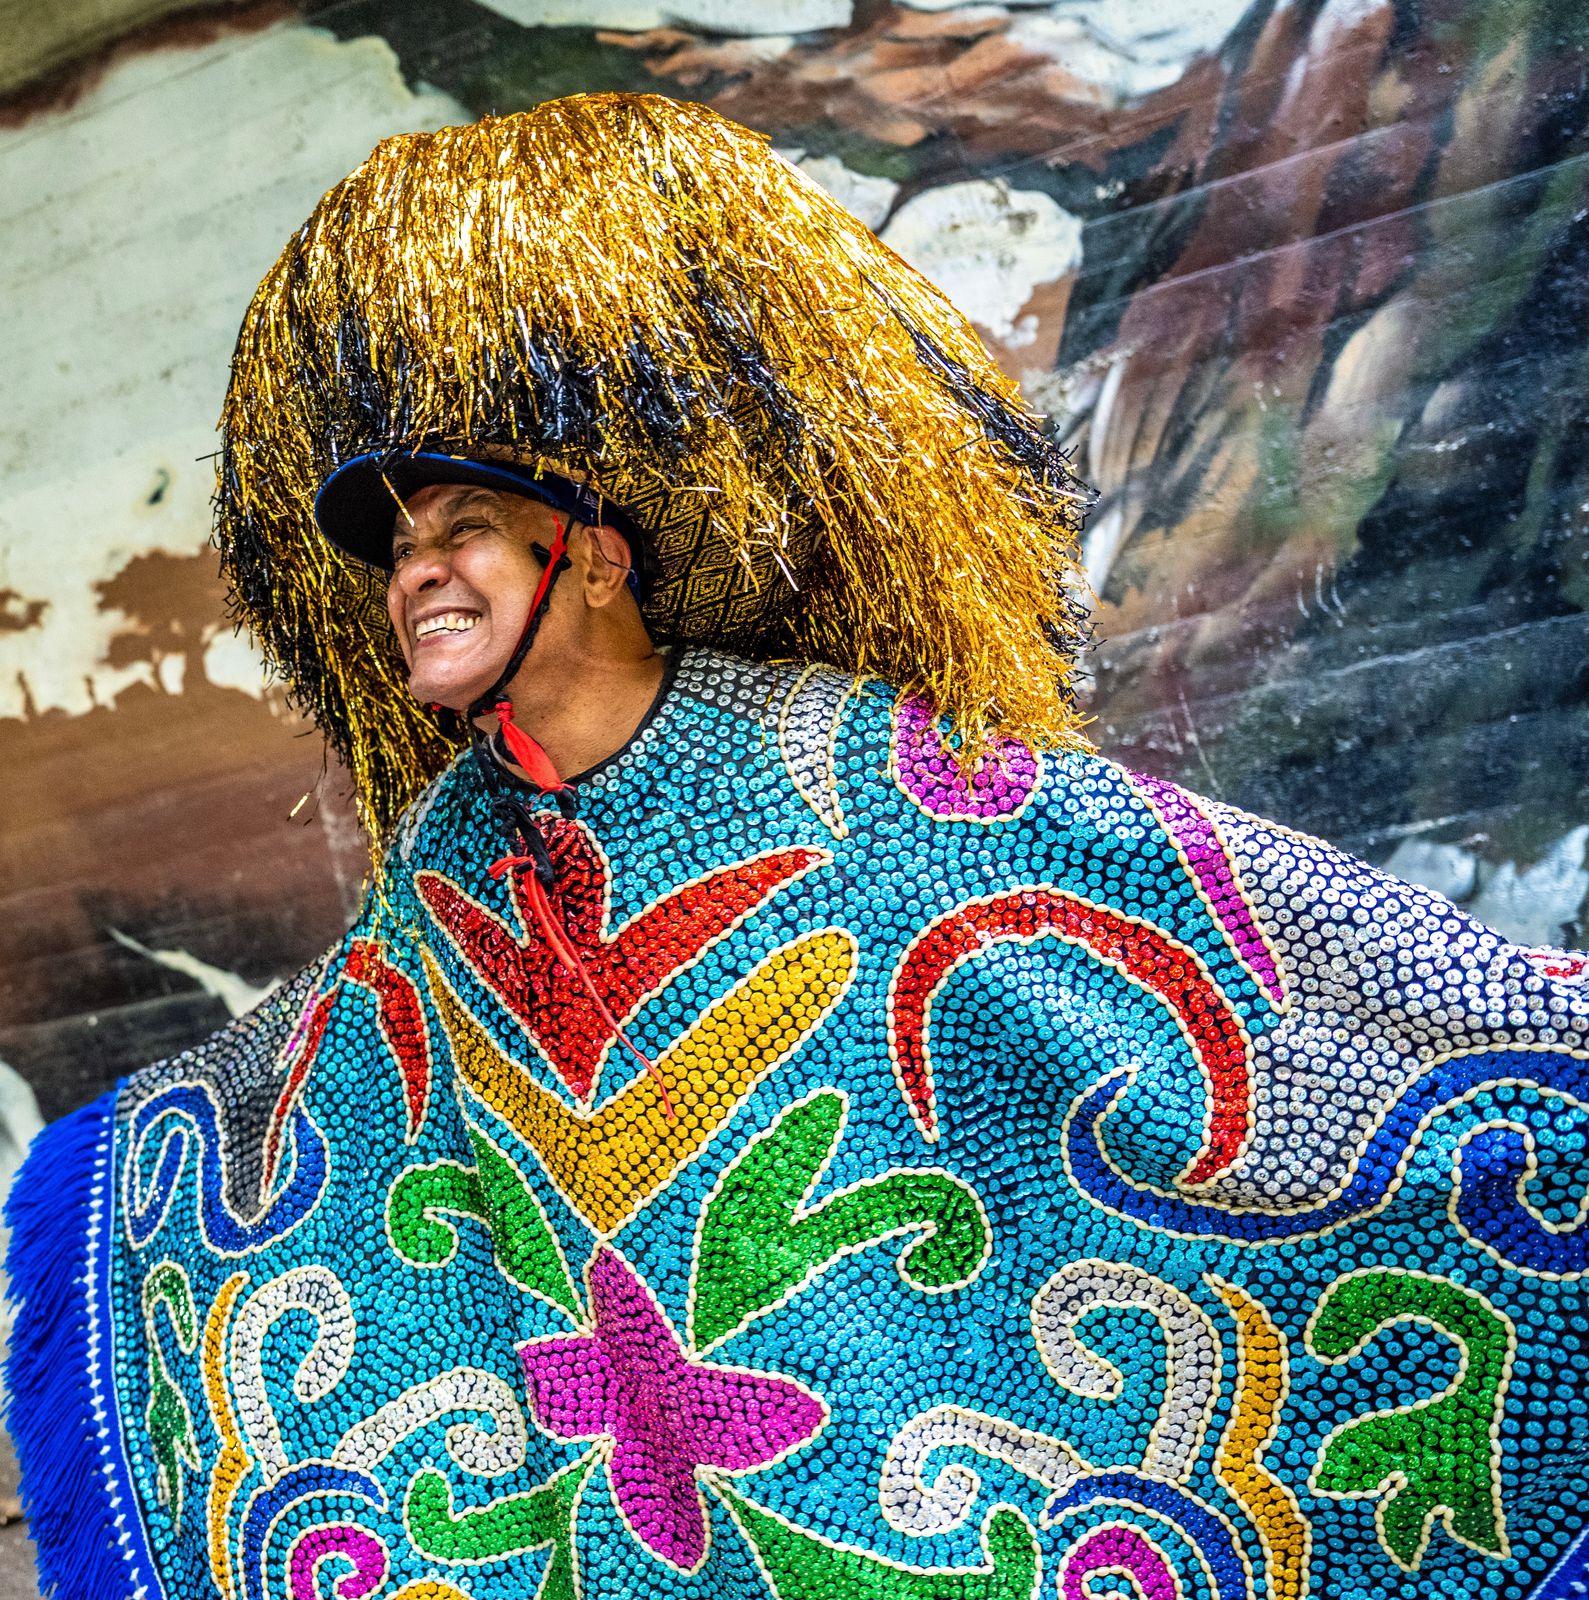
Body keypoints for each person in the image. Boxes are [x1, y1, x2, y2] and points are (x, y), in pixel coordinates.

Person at [7, 93, 1587, 1600]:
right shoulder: (441, 862)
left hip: (933, 1475)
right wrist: (117, 1178)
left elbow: (1188, 914)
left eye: (461, 531)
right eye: (398, 549)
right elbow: (312, 1103)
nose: (416, 573)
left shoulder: (844, 760)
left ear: (594, 557)